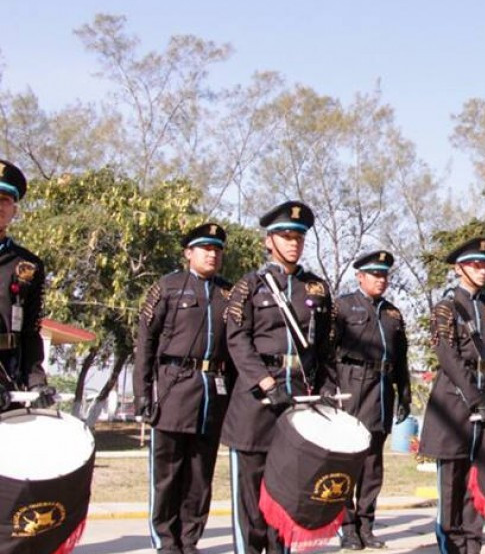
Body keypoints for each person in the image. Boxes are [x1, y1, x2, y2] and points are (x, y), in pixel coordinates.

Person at [222, 201, 337, 554]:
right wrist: (266, 382)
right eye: (286, 236)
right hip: (257, 402)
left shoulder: (316, 288)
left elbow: (326, 343)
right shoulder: (249, 286)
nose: (293, 243)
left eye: (299, 237)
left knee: (288, 492)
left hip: (299, 398)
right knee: (252, 498)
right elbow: (237, 339)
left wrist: (328, 385)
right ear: (268, 241)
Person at [134, 223, 233, 554]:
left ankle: (190, 540)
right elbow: (145, 342)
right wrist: (142, 394)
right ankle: (166, 540)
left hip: (213, 392)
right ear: (188, 252)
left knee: (200, 473)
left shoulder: (229, 294)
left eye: (217, 249)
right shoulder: (168, 287)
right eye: (205, 247)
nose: (212, 254)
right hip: (174, 386)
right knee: (168, 471)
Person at [418, 237, 485, 554]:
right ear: (459, 268)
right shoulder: (447, 307)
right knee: (451, 482)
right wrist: (474, 395)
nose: (482, 270)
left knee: (476, 479)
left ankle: (472, 545)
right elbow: (447, 355)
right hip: (454, 401)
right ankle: (450, 547)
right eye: (475, 264)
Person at [332, 250, 411, 550]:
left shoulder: (393, 314)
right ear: (360, 276)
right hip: (351, 384)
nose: (381, 280)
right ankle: (347, 526)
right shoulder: (342, 307)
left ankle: (367, 525)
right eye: (375, 275)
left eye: (384, 275)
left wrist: (404, 391)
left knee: (372, 465)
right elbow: (328, 351)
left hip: (381, 389)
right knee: (349, 461)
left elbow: (401, 357)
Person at [0, 160, 53, 411]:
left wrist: (36, 382)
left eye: (5, 200)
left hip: (11, 379)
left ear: (14, 210)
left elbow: (31, 332)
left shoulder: (28, 265)